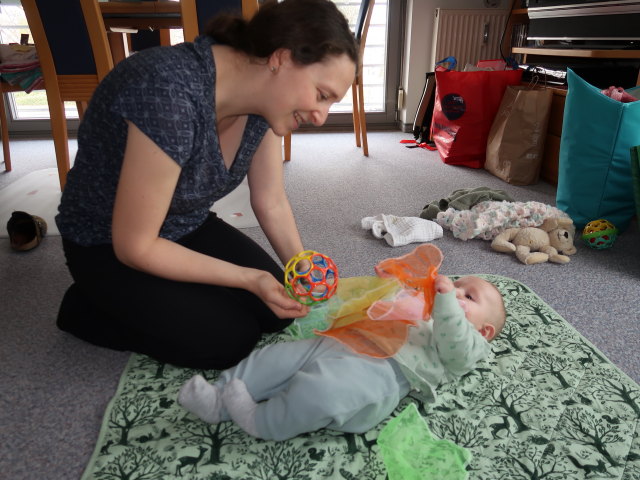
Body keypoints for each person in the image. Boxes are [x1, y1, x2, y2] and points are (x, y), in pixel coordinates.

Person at [54, 0, 358, 369]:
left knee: (279, 310)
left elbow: (271, 200)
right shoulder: (168, 91)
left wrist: (301, 267)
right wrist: (249, 278)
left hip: (184, 224)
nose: (321, 117)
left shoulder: (263, 100)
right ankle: (85, 305)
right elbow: (135, 246)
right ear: (281, 58)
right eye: (322, 95)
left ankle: (169, 296)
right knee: (227, 341)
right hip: (106, 242)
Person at [177, 274, 507, 441]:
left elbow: (454, 345)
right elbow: (381, 306)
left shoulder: (471, 344)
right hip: (348, 339)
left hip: (385, 371)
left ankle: (262, 421)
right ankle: (219, 399)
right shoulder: (427, 307)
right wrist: (394, 287)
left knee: (322, 394)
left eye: (469, 296)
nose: (455, 290)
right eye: (458, 285)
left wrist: (448, 299)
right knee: (277, 358)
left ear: (485, 331)